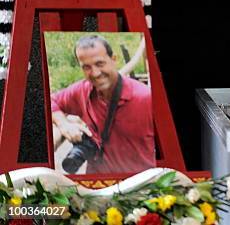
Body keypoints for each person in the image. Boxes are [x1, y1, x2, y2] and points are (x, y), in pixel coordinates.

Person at [51, 35, 155, 174]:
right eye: (86, 67)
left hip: (139, 185)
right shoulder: (83, 90)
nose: (95, 73)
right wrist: (64, 124)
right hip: (97, 187)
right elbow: (49, 101)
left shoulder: (146, 98)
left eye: (100, 64)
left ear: (114, 60)